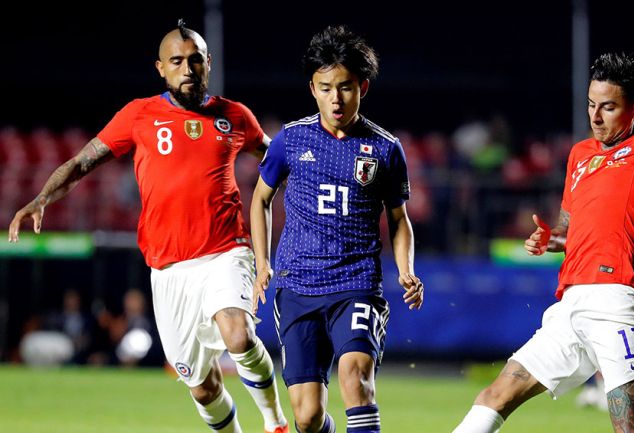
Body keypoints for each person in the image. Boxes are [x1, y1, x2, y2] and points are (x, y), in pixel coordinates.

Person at [8, 20, 289, 433]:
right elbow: (83, 161)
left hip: (226, 250)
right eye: (177, 61)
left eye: (196, 60)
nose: (188, 68)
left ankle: (276, 422)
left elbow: (277, 161)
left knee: (239, 334)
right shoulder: (139, 115)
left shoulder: (234, 116)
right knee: (202, 386)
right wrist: (42, 198)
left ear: (208, 63)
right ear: (161, 68)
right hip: (168, 268)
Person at [453, 53, 634, 433]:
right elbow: (567, 226)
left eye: (608, 107)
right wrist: (550, 238)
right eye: (592, 105)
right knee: (494, 396)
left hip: (618, 302)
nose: (595, 116)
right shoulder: (580, 155)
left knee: (630, 429)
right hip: (570, 304)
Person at [250, 25, 424, 433]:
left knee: (355, 378)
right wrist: (262, 263)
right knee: (307, 417)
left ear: (362, 86)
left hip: (356, 282)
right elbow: (259, 199)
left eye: (345, 87)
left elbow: (398, 219)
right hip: (299, 284)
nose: (336, 98)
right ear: (313, 88)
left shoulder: (384, 148)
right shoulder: (291, 140)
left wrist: (405, 270)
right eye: (325, 87)